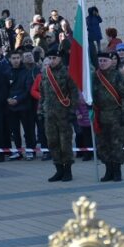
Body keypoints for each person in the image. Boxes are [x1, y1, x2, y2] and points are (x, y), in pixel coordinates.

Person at [40, 47, 79, 182]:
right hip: (49, 114)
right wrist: (40, 110)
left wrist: (73, 111)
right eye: (49, 58)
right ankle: (58, 170)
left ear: (60, 58)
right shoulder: (46, 73)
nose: (52, 61)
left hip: (63, 114)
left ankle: (68, 171)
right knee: (52, 143)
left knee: (65, 143)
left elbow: (74, 92)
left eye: (54, 58)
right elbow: (42, 94)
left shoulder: (67, 73)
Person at [92, 51, 124, 182]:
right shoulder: (95, 76)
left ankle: (117, 171)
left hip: (116, 115)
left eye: (105, 61)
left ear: (110, 62)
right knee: (103, 145)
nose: (102, 63)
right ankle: (108, 170)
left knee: (116, 145)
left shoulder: (117, 76)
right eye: (100, 61)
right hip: (101, 116)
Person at [6, 51, 34, 161]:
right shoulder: (7, 72)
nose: (16, 60)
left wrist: (17, 100)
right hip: (11, 107)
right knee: (14, 130)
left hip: (24, 106)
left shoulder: (27, 72)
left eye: (18, 57)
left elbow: (28, 90)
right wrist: (7, 99)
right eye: (14, 58)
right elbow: (4, 88)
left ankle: (30, 150)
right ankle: (18, 150)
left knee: (28, 130)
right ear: (10, 59)